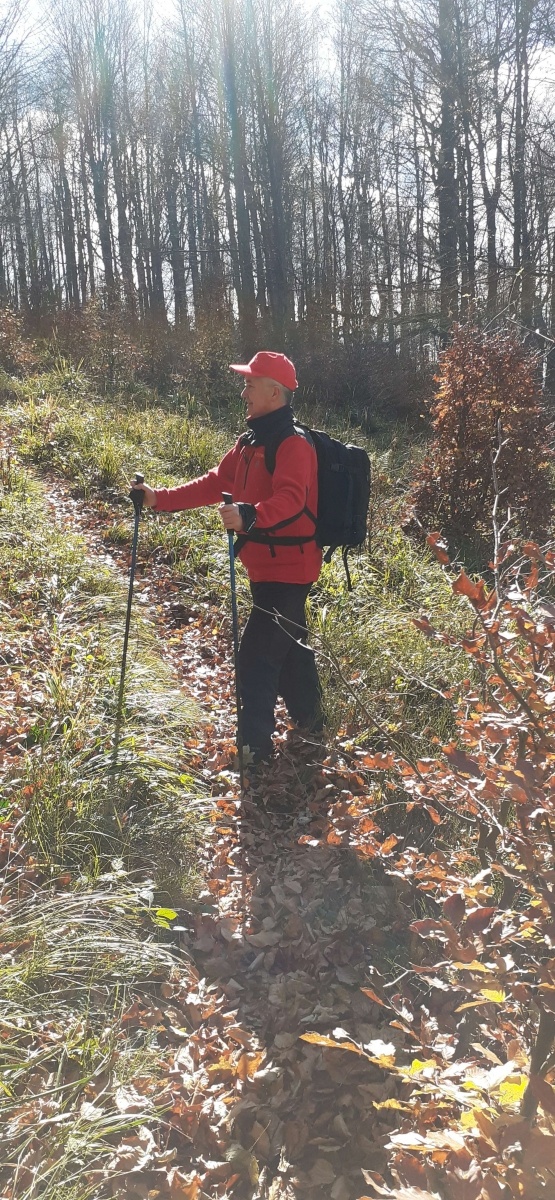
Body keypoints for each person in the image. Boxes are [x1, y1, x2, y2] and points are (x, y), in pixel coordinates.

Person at [132, 351, 323, 766]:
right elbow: (216, 482)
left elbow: (292, 498)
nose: (244, 392)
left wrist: (251, 514)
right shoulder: (251, 441)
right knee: (288, 648)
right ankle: (314, 725)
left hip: (289, 571)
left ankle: (254, 754)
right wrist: (159, 499)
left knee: (256, 657)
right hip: (267, 567)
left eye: (250, 385)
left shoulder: (294, 445)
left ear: (275, 392)